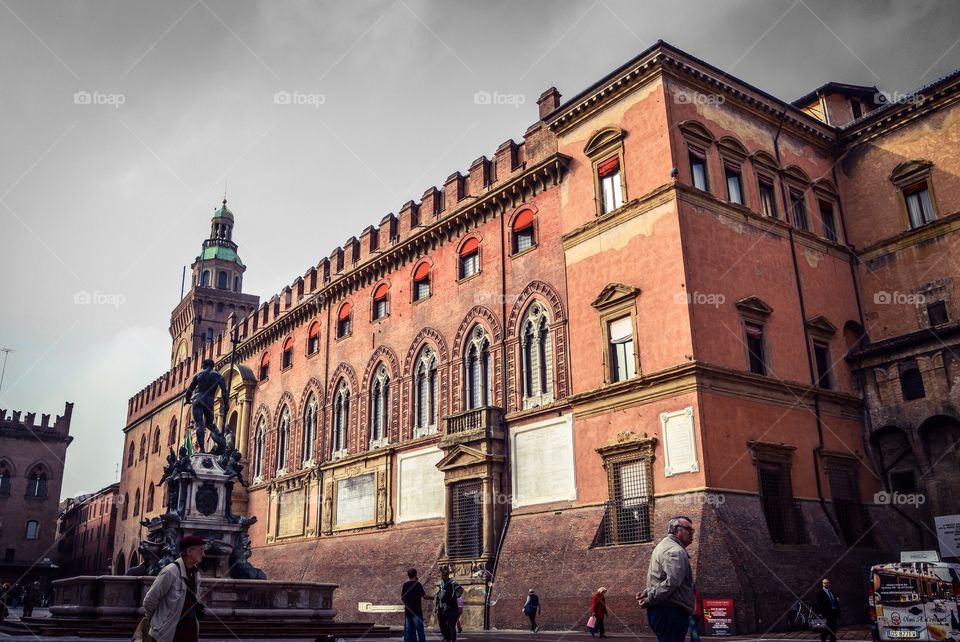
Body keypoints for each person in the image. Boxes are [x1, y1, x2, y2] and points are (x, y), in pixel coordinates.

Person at [636, 516, 696, 642]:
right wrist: (649, 598)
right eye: (687, 529)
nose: (691, 532)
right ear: (675, 530)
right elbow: (671, 583)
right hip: (671, 612)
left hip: (663, 611)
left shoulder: (662, 546)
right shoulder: (675, 551)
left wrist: (647, 593)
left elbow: (659, 577)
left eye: (692, 530)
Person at [142, 534, 205, 642]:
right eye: (201, 550)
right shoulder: (170, 571)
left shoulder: (195, 573)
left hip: (189, 636)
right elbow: (150, 600)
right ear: (189, 551)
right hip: (167, 636)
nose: (203, 554)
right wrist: (158, 623)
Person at [183, 358, 228, 453]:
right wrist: (226, 403)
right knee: (210, 424)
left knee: (199, 424)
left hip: (197, 399)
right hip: (209, 401)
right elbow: (224, 392)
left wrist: (187, 400)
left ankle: (202, 449)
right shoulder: (218, 376)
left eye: (203, 365)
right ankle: (220, 442)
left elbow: (189, 390)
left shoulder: (198, 375)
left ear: (205, 365)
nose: (202, 367)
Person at [401, 568, 431, 642]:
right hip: (417, 611)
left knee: (408, 632)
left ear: (408, 575)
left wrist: (407, 603)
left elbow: (403, 598)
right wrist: (433, 598)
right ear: (416, 574)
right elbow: (425, 597)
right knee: (420, 631)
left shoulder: (405, 585)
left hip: (408, 611)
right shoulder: (418, 585)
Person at [435, 567, 463, 642]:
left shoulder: (452, 582)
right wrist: (436, 606)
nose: (445, 576)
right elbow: (439, 595)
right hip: (442, 607)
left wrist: (456, 596)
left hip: (451, 607)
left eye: (446, 575)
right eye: (444, 575)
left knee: (451, 625)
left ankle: (452, 639)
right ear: (442, 575)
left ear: (448, 575)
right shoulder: (441, 583)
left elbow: (460, 589)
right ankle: (446, 637)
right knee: (442, 624)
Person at [815, 577, 841, 642]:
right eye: (824, 583)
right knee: (830, 627)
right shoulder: (820, 592)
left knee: (834, 626)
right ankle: (827, 637)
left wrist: (836, 600)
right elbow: (819, 603)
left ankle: (826, 636)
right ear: (822, 584)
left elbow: (832, 600)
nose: (826, 584)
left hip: (834, 612)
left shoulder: (831, 591)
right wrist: (820, 613)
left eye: (827, 583)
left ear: (829, 584)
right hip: (827, 612)